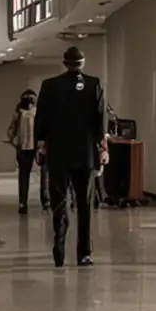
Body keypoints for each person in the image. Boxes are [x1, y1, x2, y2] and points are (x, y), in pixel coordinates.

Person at [34, 45, 109, 267]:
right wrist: (103, 148)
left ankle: (59, 246)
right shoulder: (94, 84)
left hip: (58, 154)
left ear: (65, 63)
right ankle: (84, 253)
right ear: (82, 64)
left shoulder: (49, 86)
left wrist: (41, 145)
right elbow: (100, 120)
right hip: (85, 154)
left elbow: (41, 120)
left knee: (59, 202)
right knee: (84, 204)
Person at [7, 88, 39, 213]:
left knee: (30, 175)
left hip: (35, 147)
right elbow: (11, 129)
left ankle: (44, 199)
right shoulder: (19, 113)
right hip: (24, 148)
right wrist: (15, 142)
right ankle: (23, 202)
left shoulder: (37, 112)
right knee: (24, 175)